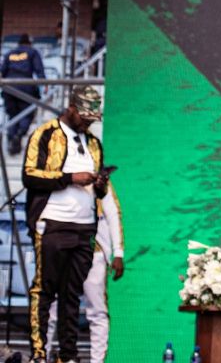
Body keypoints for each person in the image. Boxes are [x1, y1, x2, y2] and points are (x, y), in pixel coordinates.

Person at [24, 85, 109, 363]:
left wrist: (100, 184)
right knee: (45, 290)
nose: (87, 122)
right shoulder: (46, 133)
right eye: (84, 117)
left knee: (71, 295)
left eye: (91, 119)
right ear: (71, 108)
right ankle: (39, 352)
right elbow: (29, 176)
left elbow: (100, 194)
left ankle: (69, 355)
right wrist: (70, 177)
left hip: (84, 226)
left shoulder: (94, 143)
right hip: (52, 223)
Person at [46, 180, 124, 363]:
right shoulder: (60, 177)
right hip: (62, 251)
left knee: (97, 311)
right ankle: (42, 355)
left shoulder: (99, 180)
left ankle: (97, 361)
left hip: (94, 253)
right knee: (52, 309)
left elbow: (112, 214)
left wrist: (118, 252)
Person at [2, 33, 44, 155]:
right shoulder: (32, 52)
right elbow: (39, 70)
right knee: (27, 114)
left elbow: (2, 71)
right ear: (29, 43)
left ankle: (11, 137)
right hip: (25, 86)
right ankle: (19, 134)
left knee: (12, 116)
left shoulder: (9, 53)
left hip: (9, 87)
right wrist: (44, 83)